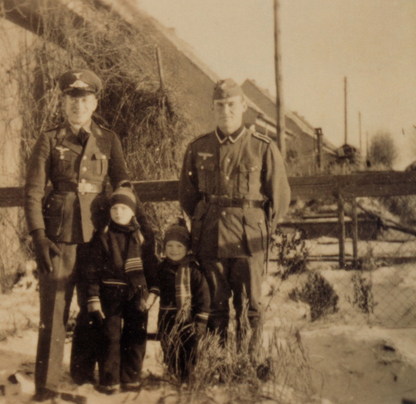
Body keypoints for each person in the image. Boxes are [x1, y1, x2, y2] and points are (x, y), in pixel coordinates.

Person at [24, 69, 130, 400]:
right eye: (72, 99)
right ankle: (47, 385)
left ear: (95, 103)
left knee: (94, 305)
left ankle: (87, 373)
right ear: (63, 102)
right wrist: (38, 235)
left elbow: (123, 185)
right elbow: (32, 192)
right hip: (59, 237)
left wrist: (123, 228)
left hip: (98, 236)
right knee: (54, 309)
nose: (77, 106)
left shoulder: (108, 139)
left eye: (84, 100)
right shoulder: (49, 139)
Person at [179, 79, 290, 351]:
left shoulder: (263, 147)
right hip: (209, 237)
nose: (225, 111)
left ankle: (246, 364)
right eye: (219, 105)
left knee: (249, 306)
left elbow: (280, 197)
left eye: (231, 105)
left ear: (243, 107)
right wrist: (204, 221)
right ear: (212, 108)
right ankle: (218, 361)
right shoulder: (197, 147)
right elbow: (187, 194)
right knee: (214, 305)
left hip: (248, 239)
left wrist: (262, 231)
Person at [84, 185, 158, 394]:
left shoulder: (142, 237)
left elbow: (151, 267)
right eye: (115, 208)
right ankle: (109, 379)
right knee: (110, 337)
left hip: (137, 295)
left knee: (136, 335)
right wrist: (94, 297)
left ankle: (131, 377)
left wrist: (152, 291)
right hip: (111, 295)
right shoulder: (104, 237)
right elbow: (93, 271)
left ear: (133, 212)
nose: (119, 212)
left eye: (124, 209)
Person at [155, 220, 210, 380]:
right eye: (170, 246)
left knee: (188, 349)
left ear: (187, 249)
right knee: (169, 346)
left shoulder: (193, 270)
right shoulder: (162, 268)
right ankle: (172, 373)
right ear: (164, 248)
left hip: (188, 318)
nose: (174, 250)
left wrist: (201, 320)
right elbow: (154, 285)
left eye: (179, 246)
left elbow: (203, 296)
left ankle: (187, 378)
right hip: (166, 317)